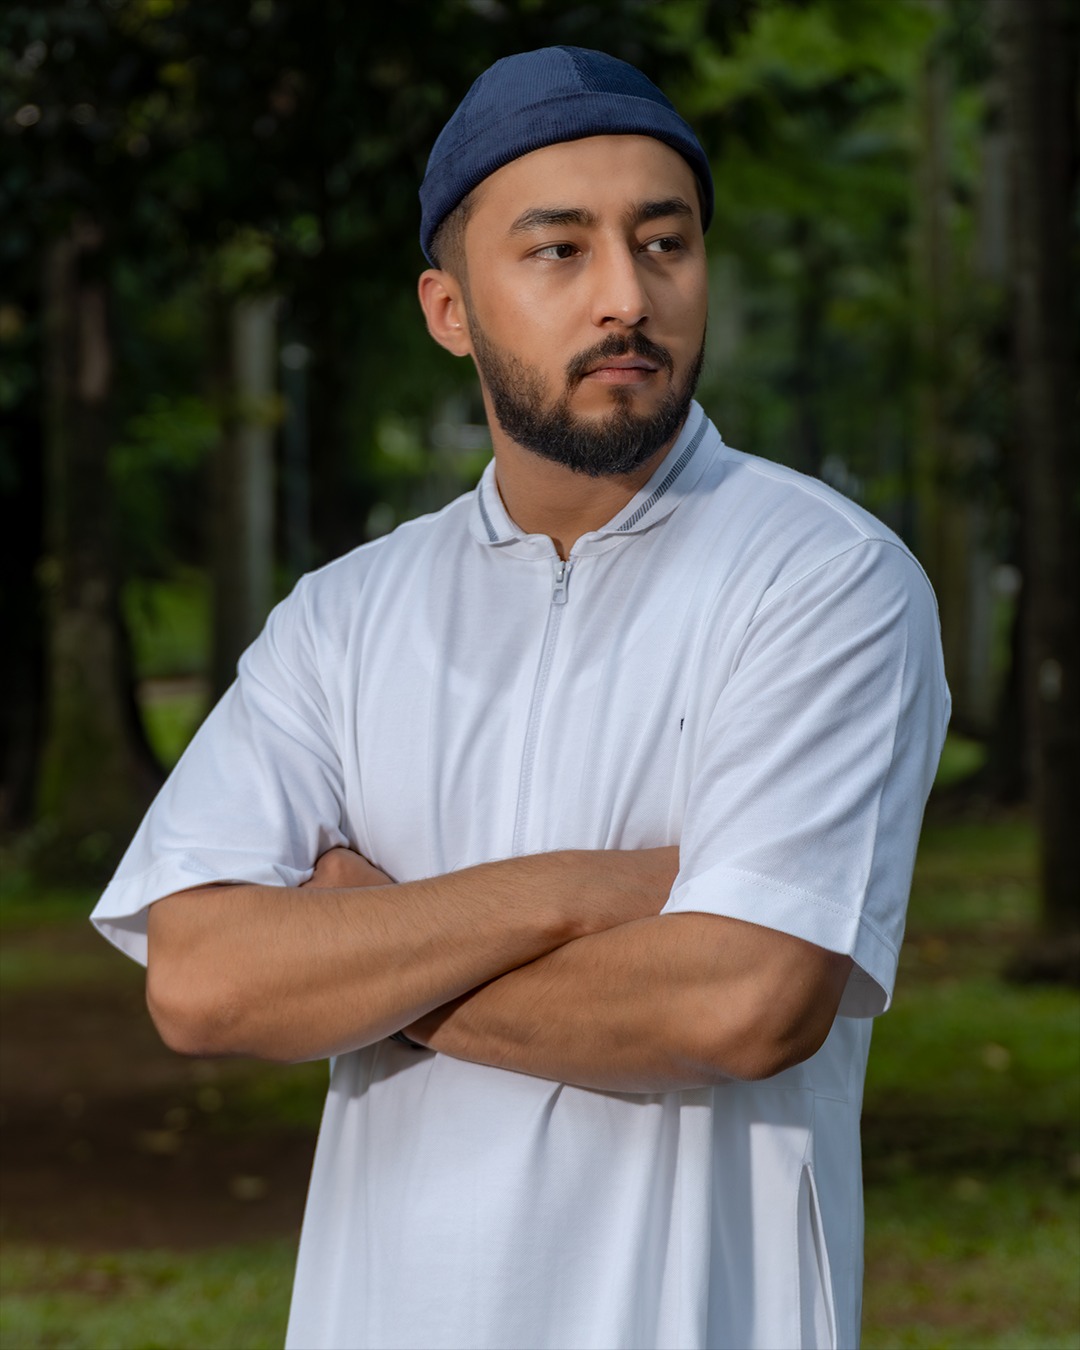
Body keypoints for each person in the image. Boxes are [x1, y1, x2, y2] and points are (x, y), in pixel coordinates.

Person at [92, 46, 949, 1350]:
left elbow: (745, 1000)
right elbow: (203, 979)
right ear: (450, 309)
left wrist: (369, 951)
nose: (627, 295)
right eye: (558, 250)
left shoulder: (825, 578)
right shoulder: (345, 615)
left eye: (664, 243)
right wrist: (578, 890)